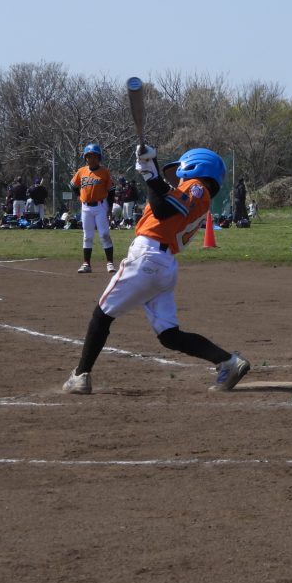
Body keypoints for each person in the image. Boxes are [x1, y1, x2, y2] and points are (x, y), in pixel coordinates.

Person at [63, 146, 250, 395]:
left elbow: (161, 209)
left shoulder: (196, 187)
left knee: (102, 315)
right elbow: (163, 197)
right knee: (169, 335)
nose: (179, 177)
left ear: (196, 166)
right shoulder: (197, 192)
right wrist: (150, 169)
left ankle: (80, 375)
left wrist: (151, 175)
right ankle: (228, 362)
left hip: (147, 258)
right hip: (163, 263)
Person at [70, 143, 115, 273]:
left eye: (95, 156)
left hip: (101, 206)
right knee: (87, 236)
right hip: (86, 208)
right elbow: (72, 185)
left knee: (104, 234)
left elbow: (111, 191)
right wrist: (79, 195)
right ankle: (86, 264)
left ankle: (110, 263)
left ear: (99, 158)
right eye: (89, 156)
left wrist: (110, 208)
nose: (92, 159)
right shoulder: (81, 171)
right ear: (85, 158)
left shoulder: (104, 172)